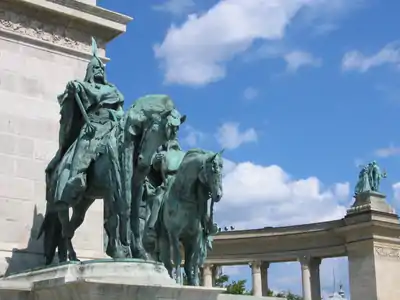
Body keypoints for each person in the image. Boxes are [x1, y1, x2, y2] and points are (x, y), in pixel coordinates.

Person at [45, 38, 125, 237]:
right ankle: (77, 176)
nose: (99, 71)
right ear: (90, 71)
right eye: (95, 68)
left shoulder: (113, 90)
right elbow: (68, 102)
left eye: (101, 69)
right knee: (84, 147)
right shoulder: (83, 87)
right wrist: (72, 90)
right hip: (92, 127)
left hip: (111, 125)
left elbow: (121, 111)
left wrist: (117, 117)